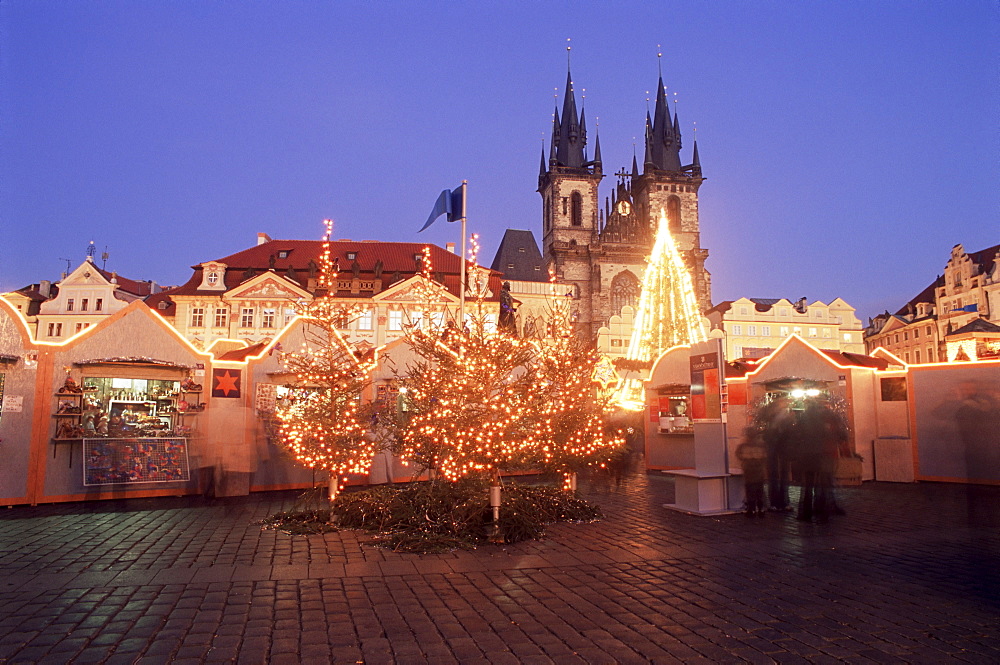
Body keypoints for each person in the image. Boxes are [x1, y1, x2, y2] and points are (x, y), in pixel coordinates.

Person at [759, 396, 793, 511]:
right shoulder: (769, 416)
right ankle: (776, 502)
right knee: (774, 474)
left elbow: (789, 433)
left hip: (782, 447)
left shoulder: (787, 416)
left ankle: (783, 501)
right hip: (774, 447)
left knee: (782, 474)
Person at [736, 427, 768, 517]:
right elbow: (765, 456)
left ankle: (751, 509)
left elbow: (739, 455)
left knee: (750, 490)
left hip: (748, 470)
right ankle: (761, 508)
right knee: (760, 490)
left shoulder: (744, 445)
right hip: (759, 471)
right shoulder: (762, 445)